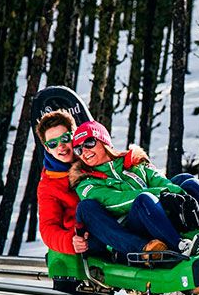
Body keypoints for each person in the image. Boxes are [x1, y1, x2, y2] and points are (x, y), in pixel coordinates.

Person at [69, 121, 199, 258]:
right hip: (132, 227)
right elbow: (114, 201)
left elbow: (158, 180)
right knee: (144, 199)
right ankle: (179, 245)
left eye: (89, 143)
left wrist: (178, 195)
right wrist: (161, 196)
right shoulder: (85, 182)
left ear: (103, 140)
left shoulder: (132, 163)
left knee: (187, 181)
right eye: (79, 150)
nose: (85, 152)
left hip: (157, 217)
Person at [35, 110, 157, 271]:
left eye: (65, 138)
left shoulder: (93, 157)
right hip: (92, 235)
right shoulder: (49, 185)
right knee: (87, 207)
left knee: (182, 181)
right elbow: (48, 228)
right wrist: (70, 240)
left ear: (74, 136)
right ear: (47, 148)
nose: (61, 146)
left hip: (124, 218)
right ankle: (143, 251)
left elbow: (119, 169)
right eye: (53, 143)